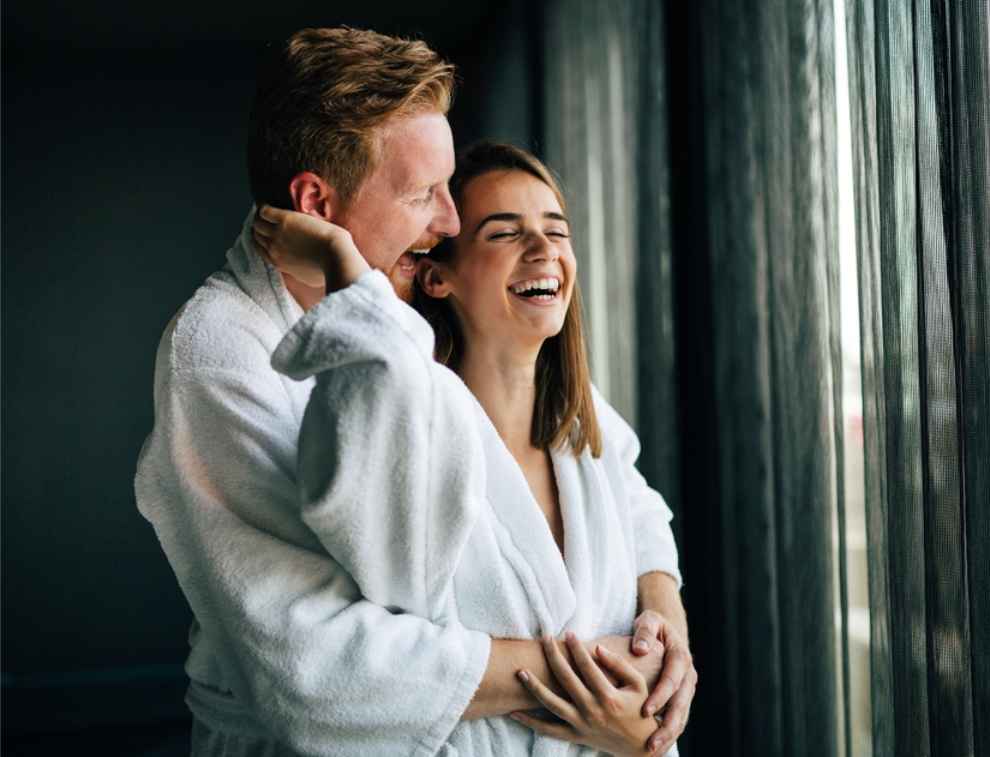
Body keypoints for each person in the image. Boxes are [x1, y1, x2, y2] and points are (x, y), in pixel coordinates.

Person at [133, 27, 694, 757]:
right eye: (426, 194)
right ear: (318, 203)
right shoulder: (220, 356)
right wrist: (595, 686)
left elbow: (616, 481)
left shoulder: (411, 322)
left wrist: (664, 620)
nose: (449, 222)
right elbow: (317, 669)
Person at [253, 142, 694, 756]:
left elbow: (645, 517)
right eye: (505, 234)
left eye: (557, 231)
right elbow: (357, 669)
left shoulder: (585, 431)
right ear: (438, 275)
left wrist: (667, 626)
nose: (543, 251)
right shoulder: (408, 431)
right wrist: (344, 269)